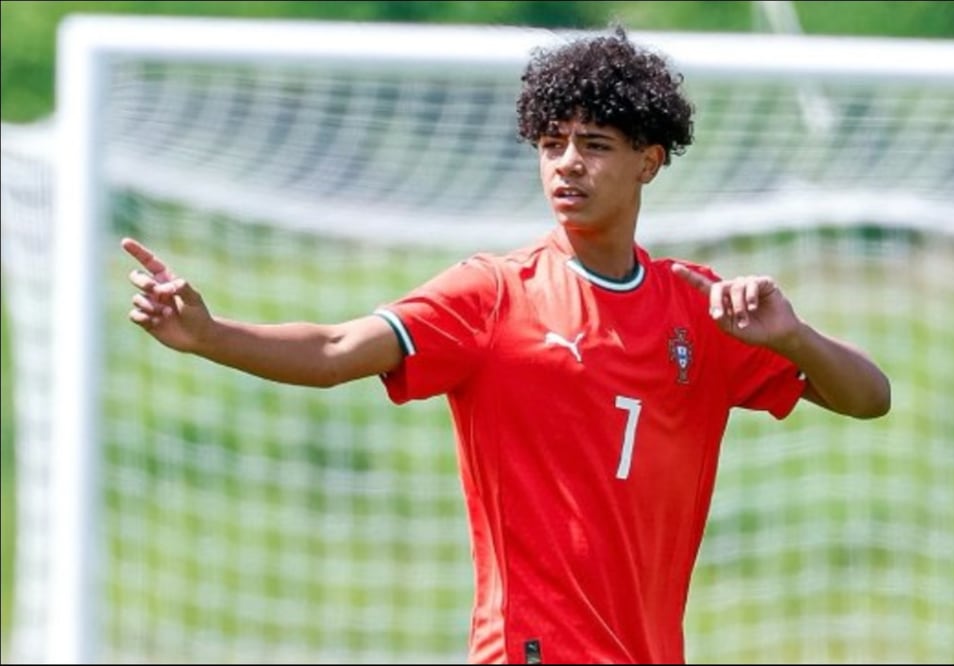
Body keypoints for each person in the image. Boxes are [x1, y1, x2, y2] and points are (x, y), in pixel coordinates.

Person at [123, 26, 890, 665]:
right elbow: (333, 349)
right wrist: (210, 335)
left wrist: (794, 336)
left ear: (648, 161)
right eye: (551, 142)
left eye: (593, 144)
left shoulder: (698, 308)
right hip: (531, 651)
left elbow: (868, 397)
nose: (566, 163)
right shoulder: (492, 295)